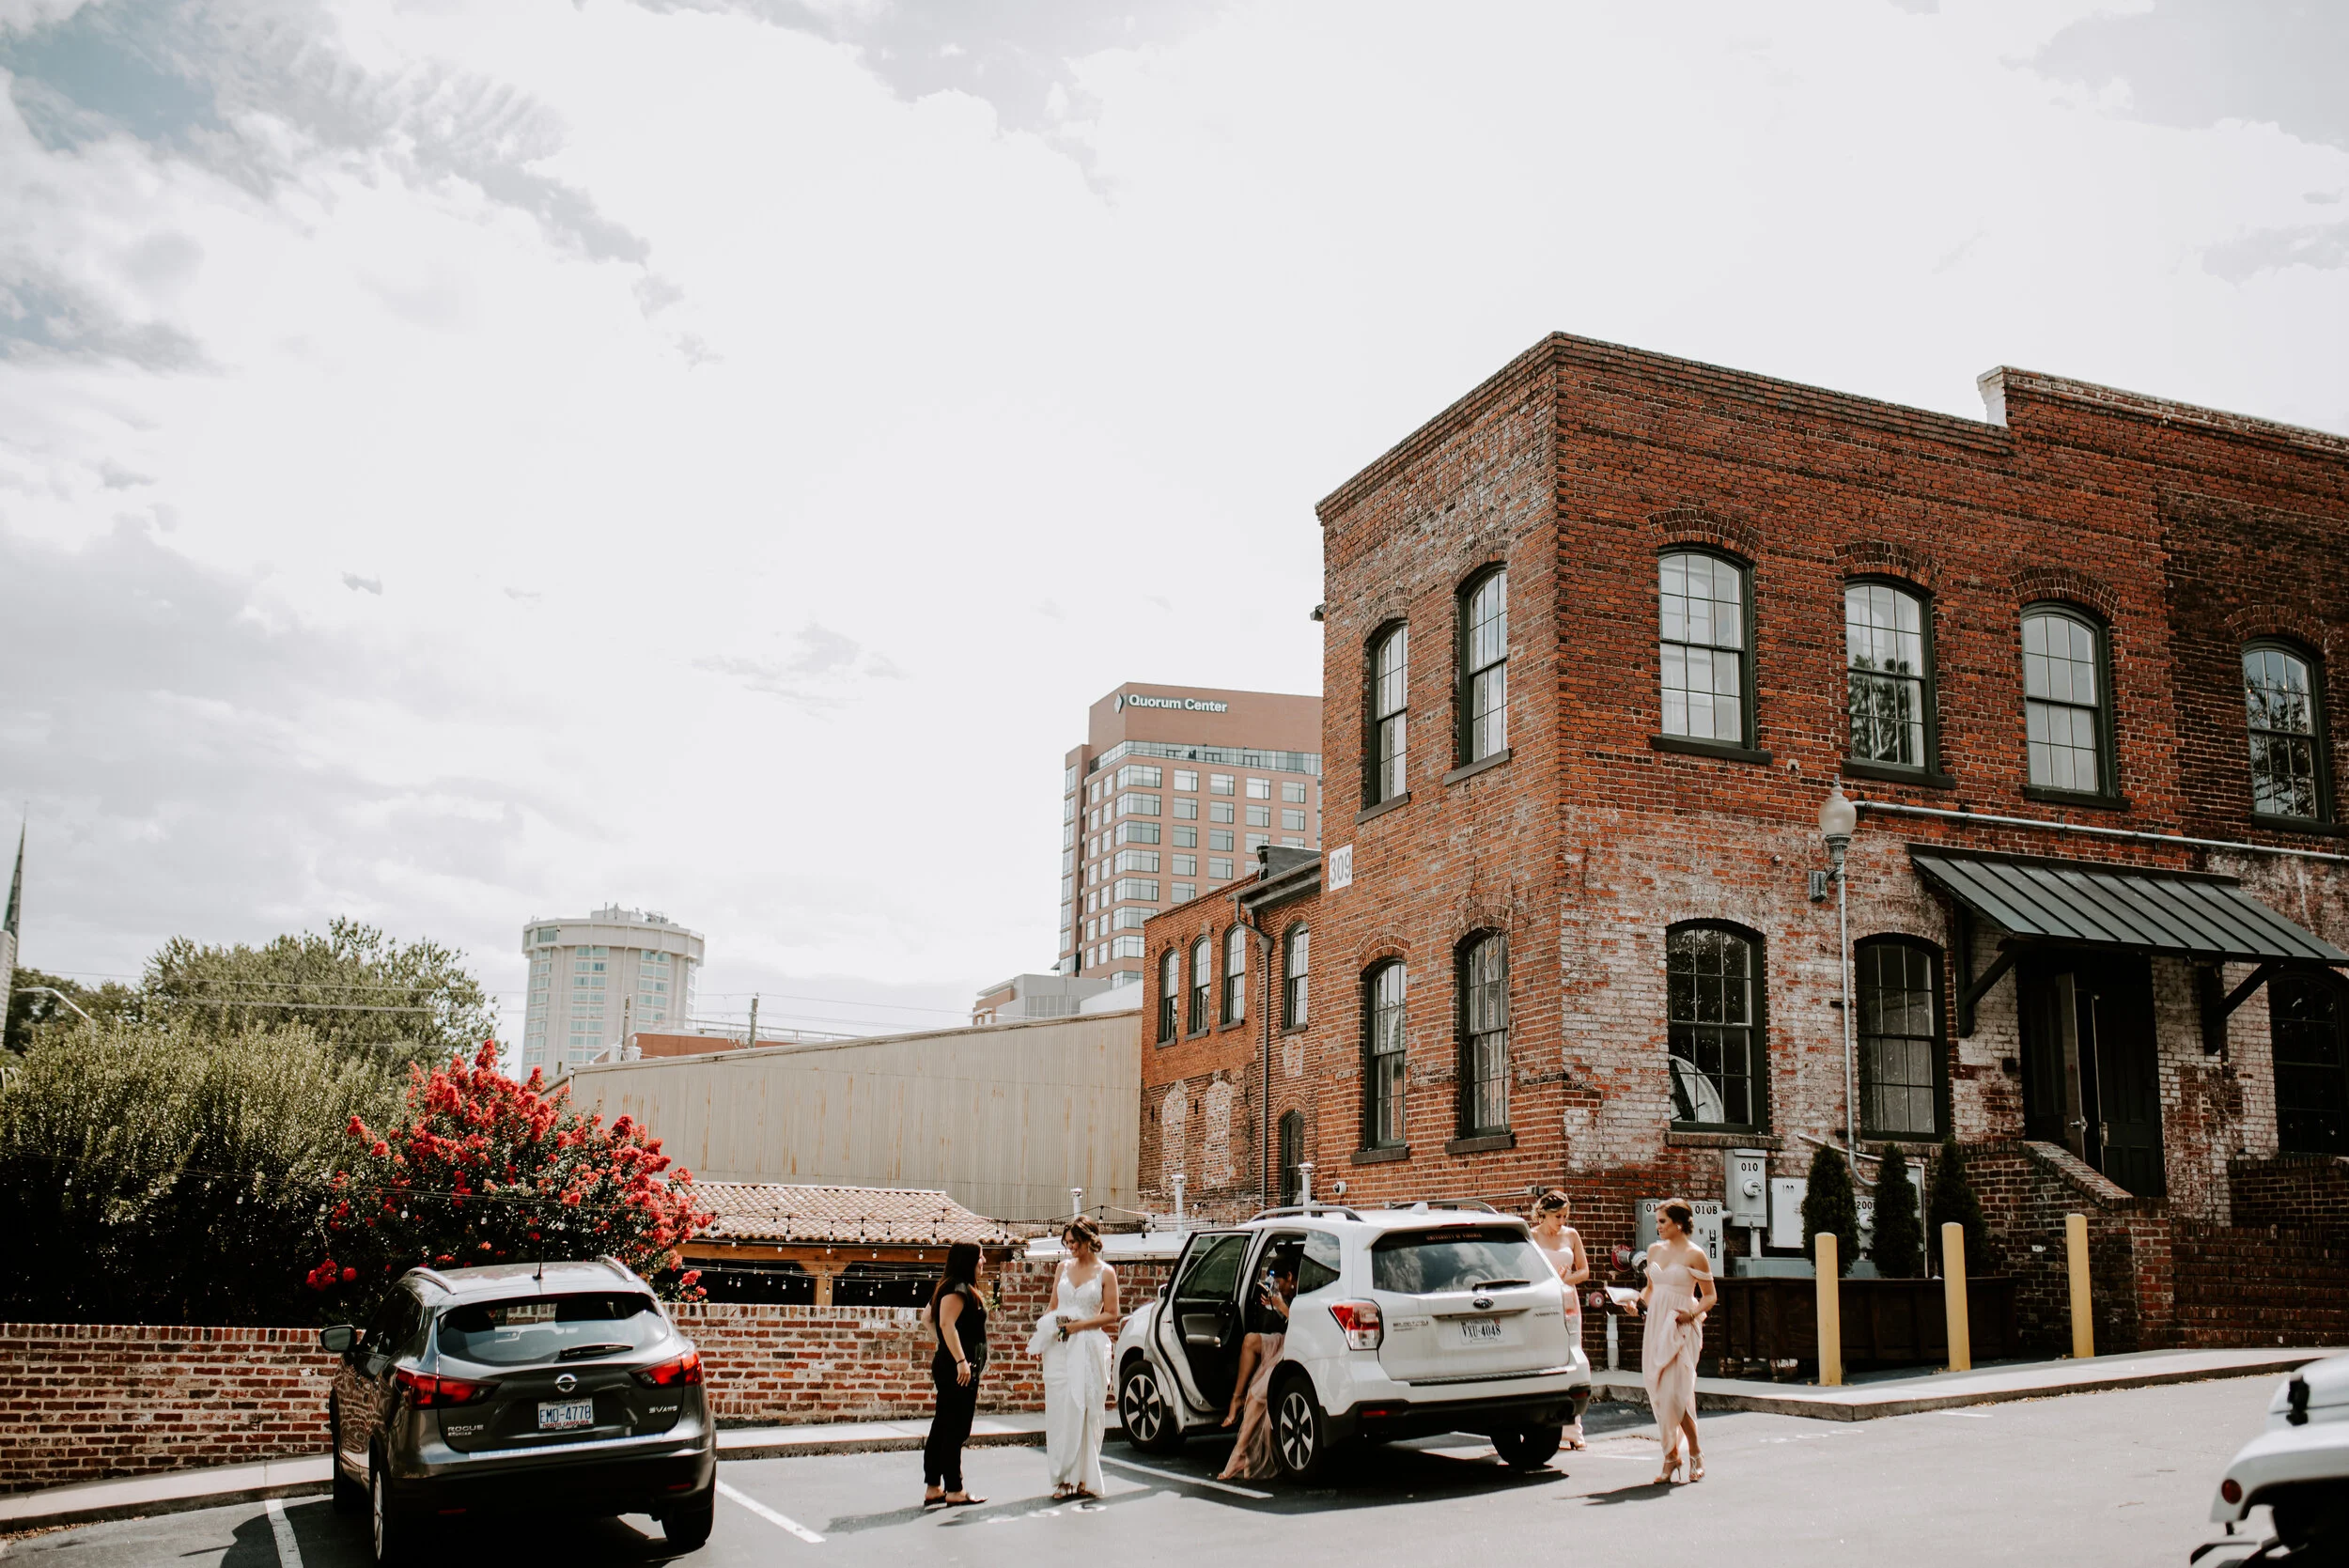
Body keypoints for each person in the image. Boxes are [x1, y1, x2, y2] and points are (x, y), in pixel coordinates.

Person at [1624, 1197, 1715, 1484]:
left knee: (1677, 1394)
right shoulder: (1654, 1251)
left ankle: (1696, 1453)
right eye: (1657, 1222)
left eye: (1662, 1221)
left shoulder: (1695, 1254)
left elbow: (1710, 1296)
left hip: (1681, 1325)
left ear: (1678, 1223)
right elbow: (1651, 1289)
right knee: (1660, 1393)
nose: (1658, 1227)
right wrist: (1636, 1304)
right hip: (1656, 1325)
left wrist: (1692, 1313)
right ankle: (1671, 1456)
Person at [1039, 1216, 1120, 1501]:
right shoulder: (1062, 1268)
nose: (1070, 1247)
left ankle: (1084, 1477)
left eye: (1074, 1242)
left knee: (1086, 1409)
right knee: (1061, 1409)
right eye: (1067, 1242)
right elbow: (1053, 1306)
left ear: (1088, 1240)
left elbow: (1112, 1313)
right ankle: (1063, 1478)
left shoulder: (1105, 1273)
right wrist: (1048, 1327)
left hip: (1089, 1347)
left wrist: (1078, 1326)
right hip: (1061, 1348)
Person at [1218, 1256, 1297, 1482]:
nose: (1276, 1286)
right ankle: (1236, 1398)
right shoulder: (1288, 1293)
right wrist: (1275, 1306)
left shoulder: (1306, 1291)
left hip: (1295, 1346)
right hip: (1286, 1339)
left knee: (1257, 1393)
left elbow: (1302, 1323)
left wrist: (1281, 1305)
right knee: (1250, 1341)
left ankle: (1239, 1455)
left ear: (1290, 1277)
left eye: (1278, 1282)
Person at [922, 1242, 988, 1508]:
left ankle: (934, 1487)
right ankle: (954, 1489)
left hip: (953, 1365)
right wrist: (959, 1359)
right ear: (968, 1261)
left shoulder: (948, 1285)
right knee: (955, 1427)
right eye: (980, 1257)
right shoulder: (959, 1288)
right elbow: (945, 1323)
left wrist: (947, 1348)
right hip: (959, 1369)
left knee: (943, 1425)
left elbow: (927, 1317)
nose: (983, 1261)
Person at [1529, 1189, 1592, 1450]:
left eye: (1565, 1216)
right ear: (1543, 1213)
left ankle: (1574, 1431)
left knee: (1570, 1356)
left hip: (1567, 1299)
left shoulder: (1572, 1235)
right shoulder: (1532, 1236)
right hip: (1542, 1300)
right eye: (1557, 1216)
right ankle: (1543, 1426)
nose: (1561, 1221)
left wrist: (1565, 1279)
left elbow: (1585, 1271)